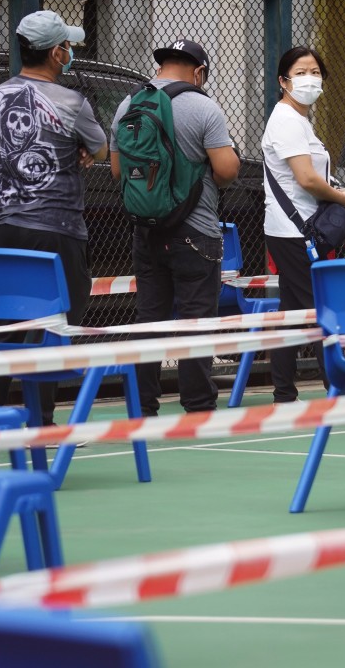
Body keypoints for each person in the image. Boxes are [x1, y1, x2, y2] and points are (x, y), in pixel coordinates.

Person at [0, 10, 107, 425]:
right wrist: (82, 151)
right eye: (68, 47)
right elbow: (102, 148)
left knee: (8, 319)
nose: (70, 53)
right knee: (59, 320)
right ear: (57, 53)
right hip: (58, 226)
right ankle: (42, 420)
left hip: (9, 223)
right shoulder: (73, 102)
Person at [109, 39, 239, 416]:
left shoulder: (127, 105)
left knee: (149, 317)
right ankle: (197, 405)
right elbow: (228, 170)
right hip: (195, 230)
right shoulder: (203, 106)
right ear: (199, 71)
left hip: (146, 231)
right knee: (196, 319)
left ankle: (143, 403)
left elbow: (118, 172)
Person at [261, 46, 345, 404]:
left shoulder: (298, 120)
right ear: (283, 81)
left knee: (293, 310)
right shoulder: (285, 120)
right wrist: (340, 197)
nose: (310, 78)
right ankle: (337, 385)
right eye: (300, 72)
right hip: (293, 230)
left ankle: (284, 389)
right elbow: (306, 179)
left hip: (295, 227)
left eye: (315, 71)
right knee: (319, 309)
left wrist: (330, 190)